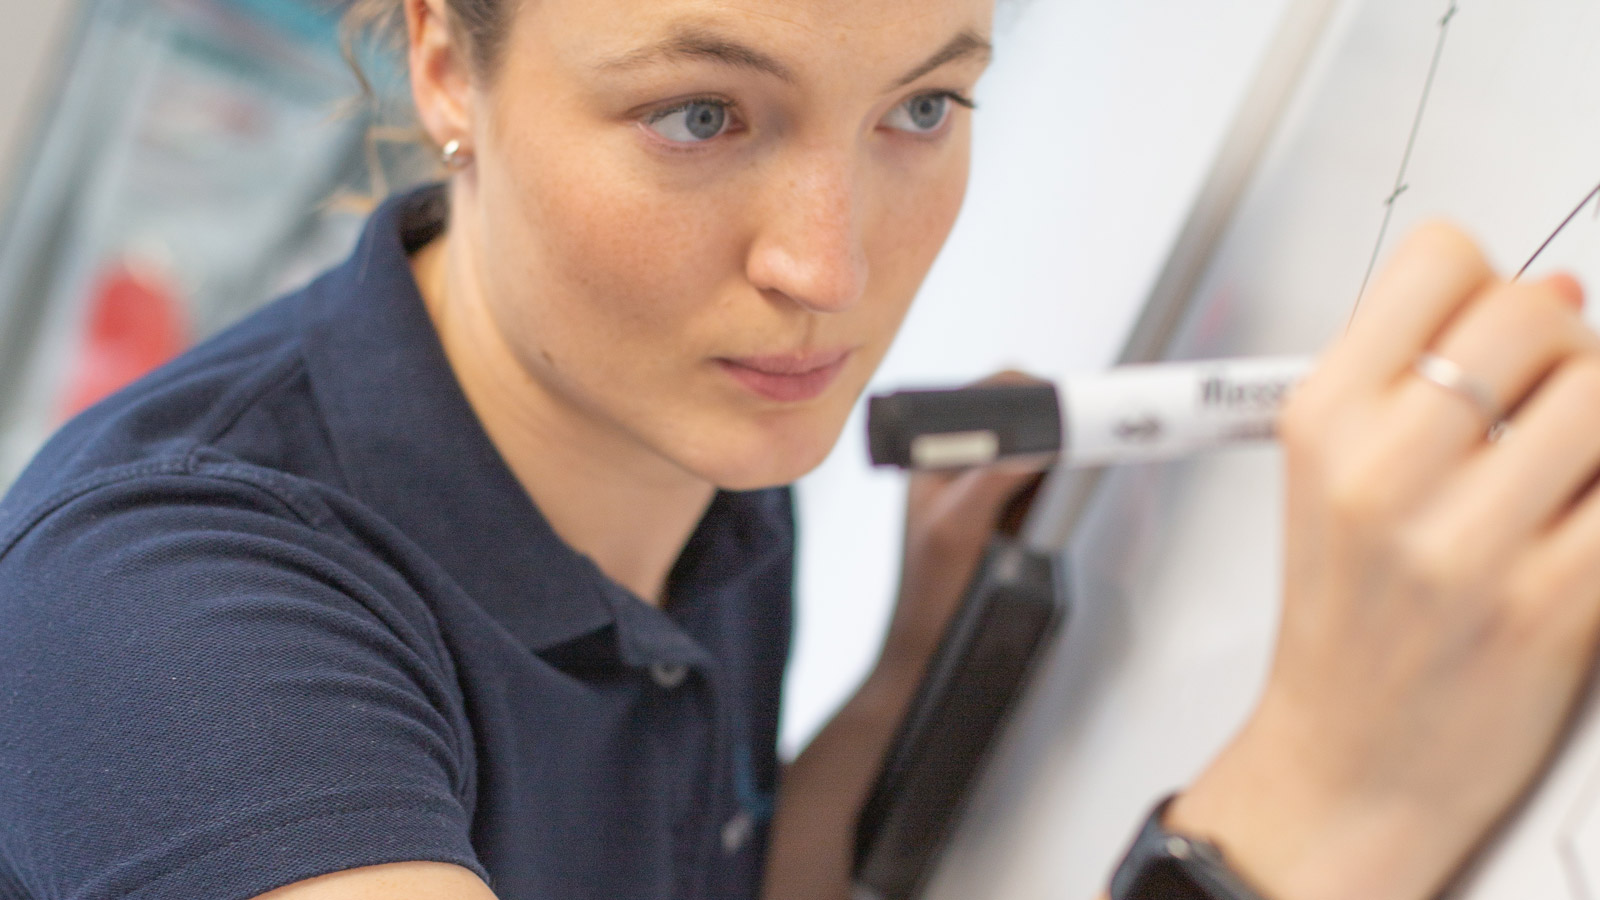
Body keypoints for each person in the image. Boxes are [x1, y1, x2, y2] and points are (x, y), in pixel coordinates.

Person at [1, 0, 1598, 898]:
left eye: (920, 109)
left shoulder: (676, 454)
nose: (829, 270)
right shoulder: (161, 619)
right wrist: (1321, 800)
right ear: (442, 60)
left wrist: (912, 672)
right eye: (702, 116)